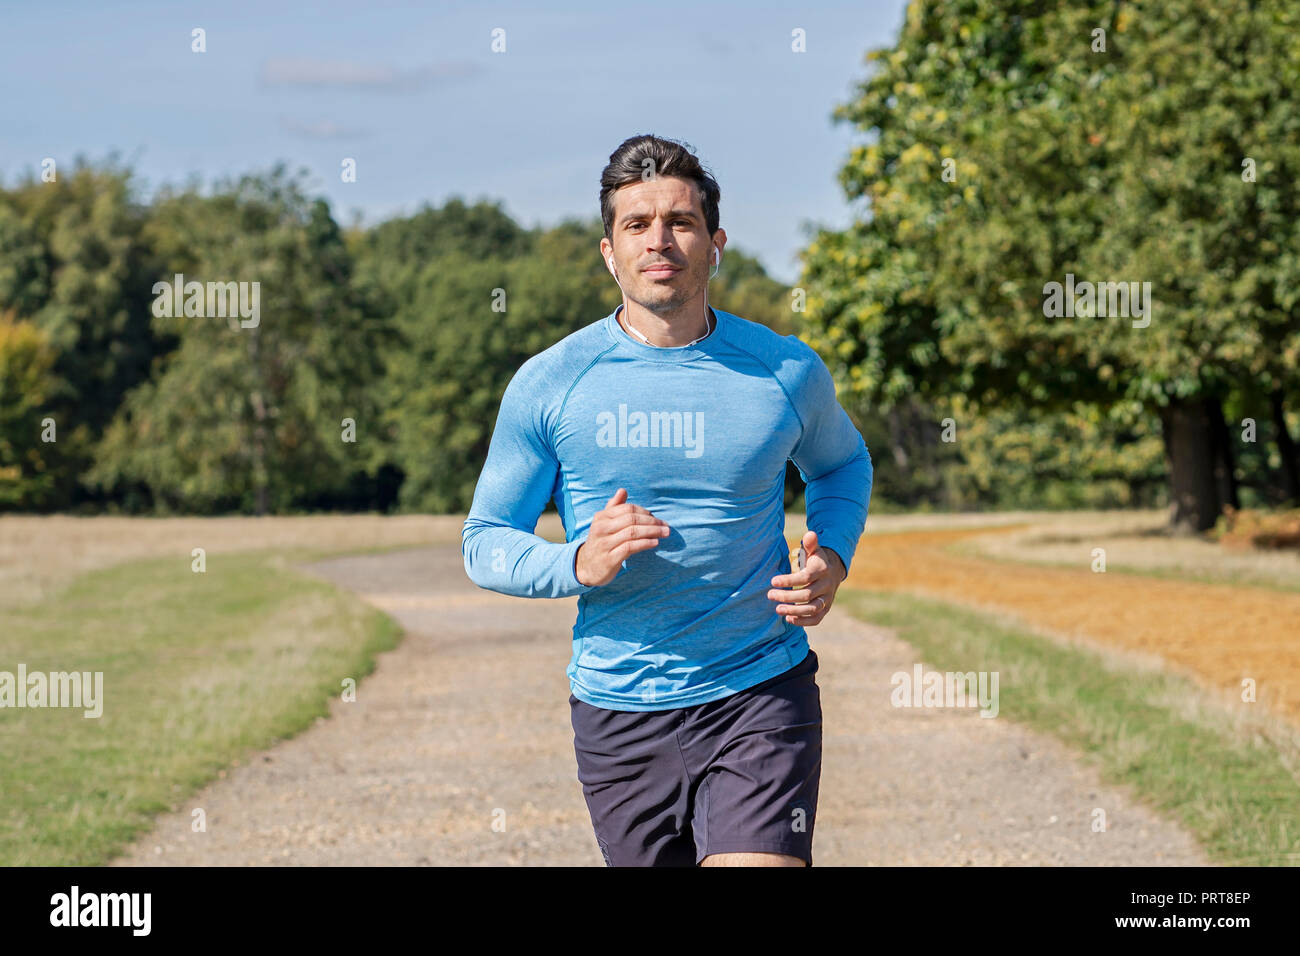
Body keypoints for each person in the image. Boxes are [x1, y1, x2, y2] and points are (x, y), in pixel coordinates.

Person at [462, 133, 873, 866]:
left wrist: (833, 557)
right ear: (608, 251)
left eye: (681, 222)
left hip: (759, 688)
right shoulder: (550, 384)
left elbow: (842, 465)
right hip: (619, 711)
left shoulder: (783, 369)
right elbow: (485, 538)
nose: (661, 241)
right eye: (637, 224)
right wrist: (576, 563)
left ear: (715, 244)